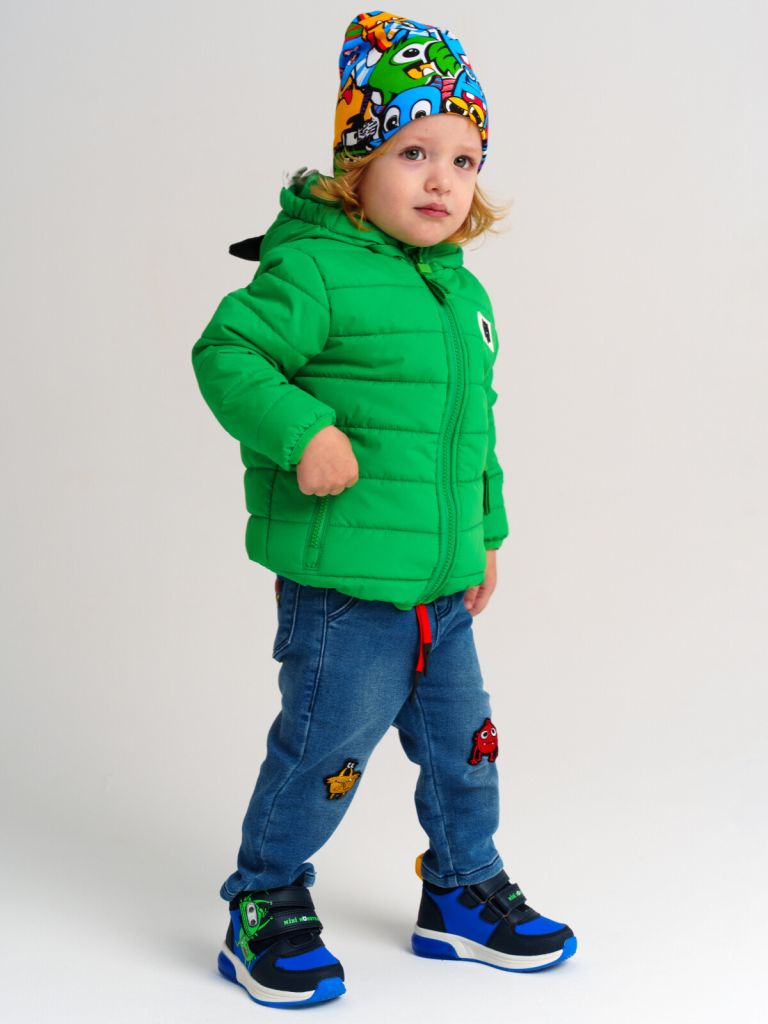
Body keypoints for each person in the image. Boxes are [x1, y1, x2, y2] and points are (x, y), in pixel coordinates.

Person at [191, 10, 577, 1009]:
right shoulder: (316, 268)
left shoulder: (461, 295)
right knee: (324, 752)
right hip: (346, 593)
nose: (443, 180)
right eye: (414, 152)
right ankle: (266, 896)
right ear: (356, 164)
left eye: (464, 159)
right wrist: (303, 432)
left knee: (466, 747)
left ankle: (462, 889)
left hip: (441, 590)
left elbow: (472, 428)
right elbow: (228, 354)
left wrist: (485, 533)